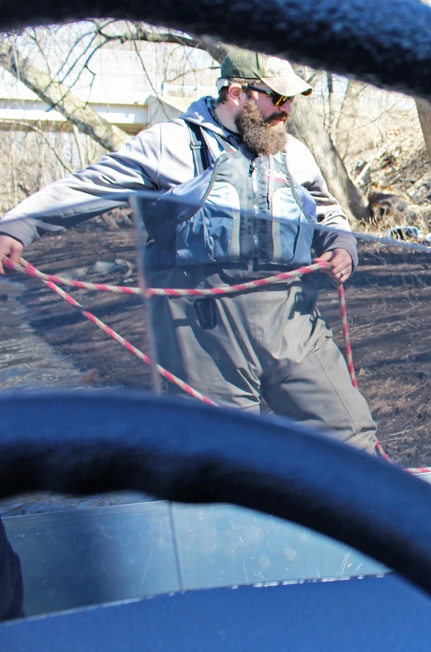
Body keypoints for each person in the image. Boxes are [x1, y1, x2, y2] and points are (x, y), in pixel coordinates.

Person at [0, 49, 377, 453]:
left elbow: (327, 212)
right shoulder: (170, 143)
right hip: (202, 328)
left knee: (348, 435)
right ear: (237, 93)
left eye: (292, 101)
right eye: (279, 99)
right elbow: (89, 186)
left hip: (291, 318)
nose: (288, 110)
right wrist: (18, 228)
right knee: (222, 457)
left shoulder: (294, 153)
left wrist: (341, 245)